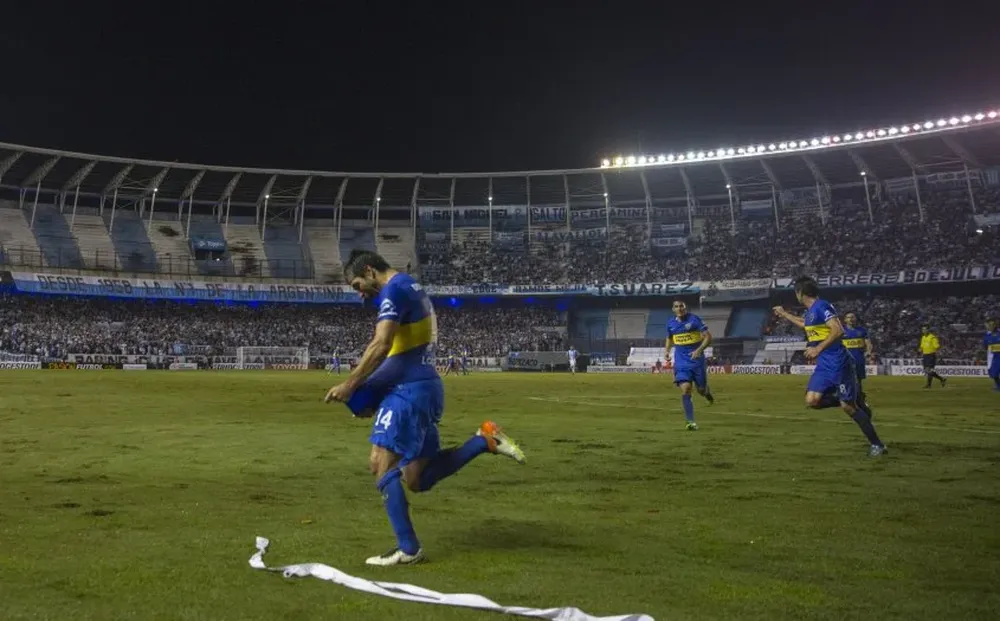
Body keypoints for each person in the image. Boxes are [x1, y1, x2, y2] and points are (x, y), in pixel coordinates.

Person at [324, 250, 526, 566]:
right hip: (423, 387)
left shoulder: (393, 290)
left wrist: (352, 385)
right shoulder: (410, 286)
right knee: (416, 478)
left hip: (409, 391)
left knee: (380, 464)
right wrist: (370, 393)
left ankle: (408, 548)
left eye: (358, 285)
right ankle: (484, 441)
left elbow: (381, 345)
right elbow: (401, 353)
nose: (360, 293)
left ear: (370, 271)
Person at [773, 277, 887, 457]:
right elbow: (804, 323)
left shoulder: (822, 306)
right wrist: (784, 314)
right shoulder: (811, 311)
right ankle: (853, 398)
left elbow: (837, 329)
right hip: (824, 365)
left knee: (848, 407)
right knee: (812, 400)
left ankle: (877, 445)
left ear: (800, 293)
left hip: (838, 362)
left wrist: (817, 348)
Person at [665, 300, 714, 431]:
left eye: (681, 306)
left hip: (697, 361)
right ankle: (690, 421)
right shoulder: (670, 323)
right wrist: (667, 351)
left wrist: (699, 350)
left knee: (701, 390)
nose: (679, 308)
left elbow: (708, 337)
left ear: (685, 308)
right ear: (673, 309)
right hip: (681, 362)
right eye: (676, 307)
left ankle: (707, 393)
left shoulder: (694, 320)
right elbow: (669, 338)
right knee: (686, 388)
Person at [842, 312, 873, 413]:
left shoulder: (862, 331)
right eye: (848, 317)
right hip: (845, 360)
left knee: (858, 381)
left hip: (859, 360)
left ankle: (859, 399)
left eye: (852, 317)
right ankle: (849, 398)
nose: (851, 319)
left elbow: (868, 343)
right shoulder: (841, 331)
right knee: (845, 380)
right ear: (845, 320)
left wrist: (868, 352)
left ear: (855, 319)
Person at [919, 324, 946, 389]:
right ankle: (941, 379)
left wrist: (938, 348)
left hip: (931, 355)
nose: (923, 330)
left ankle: (929, 384)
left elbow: (937, 346)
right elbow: (922, 346)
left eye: (925, 329)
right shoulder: (923, 337)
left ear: (928, 330)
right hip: (925, 355)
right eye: (923, 329)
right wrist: (920, 349)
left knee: (929, 370)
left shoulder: (932, 337)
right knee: (927, 371)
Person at [984, 319, 1000, 391]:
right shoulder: (988, 335)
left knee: (995, 372)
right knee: (994, 373)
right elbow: (985, 346)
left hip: (996, 355)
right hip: (994, 356)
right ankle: (998, 386)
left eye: (990, 325)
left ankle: (998, 386)